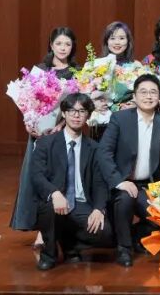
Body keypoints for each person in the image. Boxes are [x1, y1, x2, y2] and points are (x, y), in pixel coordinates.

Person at [96, 73, 160, 266]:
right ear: (134, 96)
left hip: (149, 185)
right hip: (123, 181)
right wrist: (119, 181)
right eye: (143, 92)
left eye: (153, 92)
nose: (148, 96)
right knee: (125, 199)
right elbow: (104, 153)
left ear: (159, 96)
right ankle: (124, 249)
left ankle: (134, 236)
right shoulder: (120, 119)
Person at [30, 92, 114, 270]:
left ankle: (70, 245)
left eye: (82, 111)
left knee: (105, 233)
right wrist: (54, 193)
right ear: (64, 113)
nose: (76, 115)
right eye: (72, 111)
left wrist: (99, 209)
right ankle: (49, 254)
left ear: (88, 116)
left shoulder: (94, 148)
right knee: (51, 211)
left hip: (81, 203)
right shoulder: (46, 143)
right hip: (54, 201)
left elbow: (100, 183)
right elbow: (37, 175)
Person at [12, 27, 79, 234]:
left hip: (64, 133)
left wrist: (62, 125)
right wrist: (29, 122)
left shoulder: (77, 72)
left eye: (67, 44)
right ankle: (41, 229)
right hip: (38, 135)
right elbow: (28, 102)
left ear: (73, 47)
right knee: (39, 177)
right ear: (51, 45)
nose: (63, 48)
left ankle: (58, 228)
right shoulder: (40, 70)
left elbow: (78, 105)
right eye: (58, 43)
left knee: (60, 178)